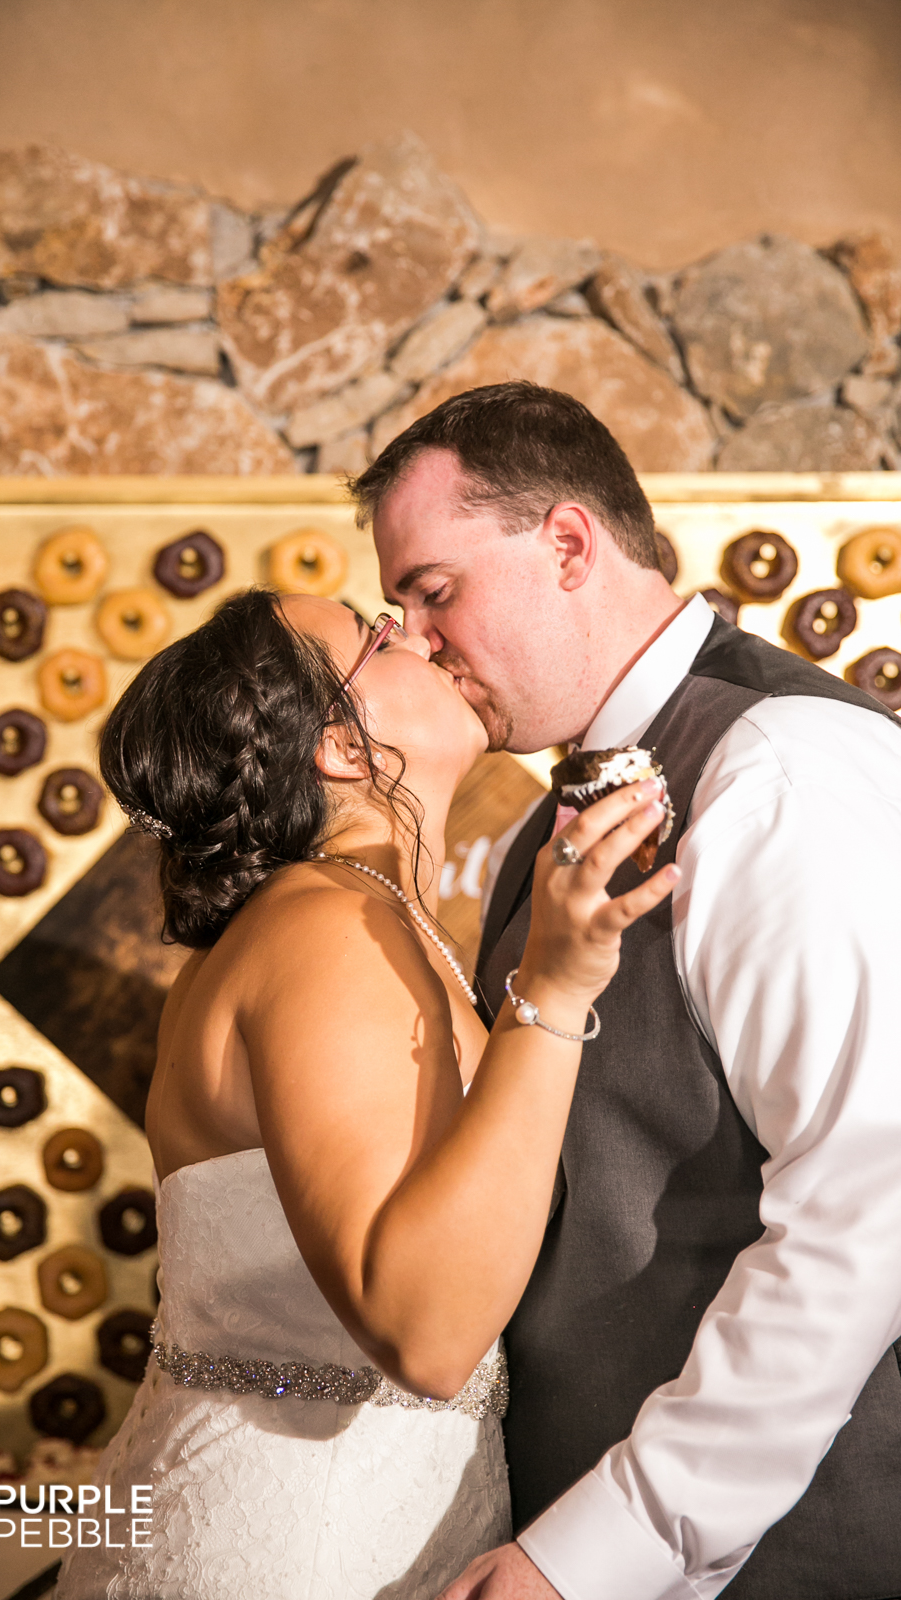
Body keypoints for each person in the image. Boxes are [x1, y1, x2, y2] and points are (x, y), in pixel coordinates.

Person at [356, 379, 901, 1600]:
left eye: (433, 591)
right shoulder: (544, 821)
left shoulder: (780, 769)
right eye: (395, 608)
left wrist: (601, 1550)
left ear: (565, 543)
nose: (416, 638)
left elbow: (864, 1203)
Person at [54, 584, 675, 1600]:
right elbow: (425, 1331)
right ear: (340, 748)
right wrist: (555, 994)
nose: (425, 635)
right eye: (382, 638)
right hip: (302, 1549)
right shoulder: (323, 928)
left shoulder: (347, 916)